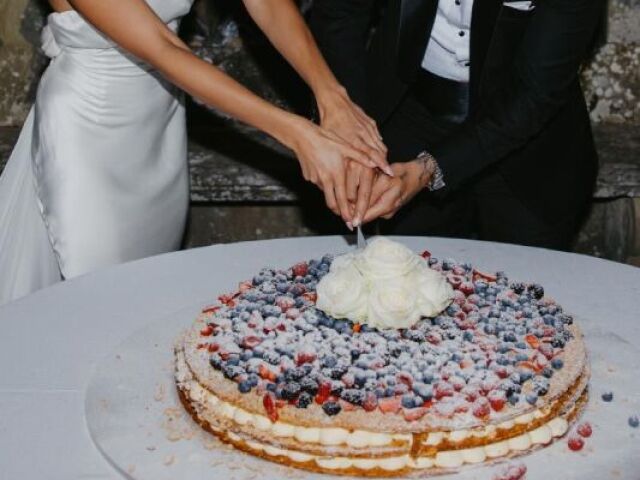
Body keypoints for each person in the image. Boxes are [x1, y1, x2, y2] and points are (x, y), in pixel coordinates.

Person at [0, 0, 389, 305]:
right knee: (99, 297)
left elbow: (265, 2)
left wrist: (331, 96)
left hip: (160, 126)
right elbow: (163, 48)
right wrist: (298, 133)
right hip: (88, 132)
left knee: (144, 296)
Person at [310, 0, 603, 249]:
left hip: (527, 145)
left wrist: (429, 170)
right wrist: (350, 122)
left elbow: (534, 96)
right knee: (407, 281)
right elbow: (340, 16)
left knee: (529, 294)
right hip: (410, 114)